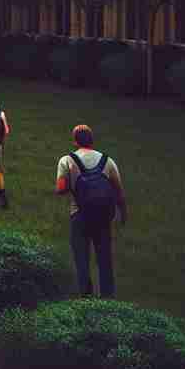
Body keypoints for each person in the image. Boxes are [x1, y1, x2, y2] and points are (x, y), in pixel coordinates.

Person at [55, 123, 127, 297]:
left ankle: (86, 297)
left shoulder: (67, 160)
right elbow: (118, 190)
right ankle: (107, 298)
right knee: (105, 259)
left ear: (75, 141)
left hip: (79, 215)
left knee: (82, 259)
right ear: (92, 140)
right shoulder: (107, 161)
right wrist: (123, 212)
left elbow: (60, 188)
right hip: (103, 216)